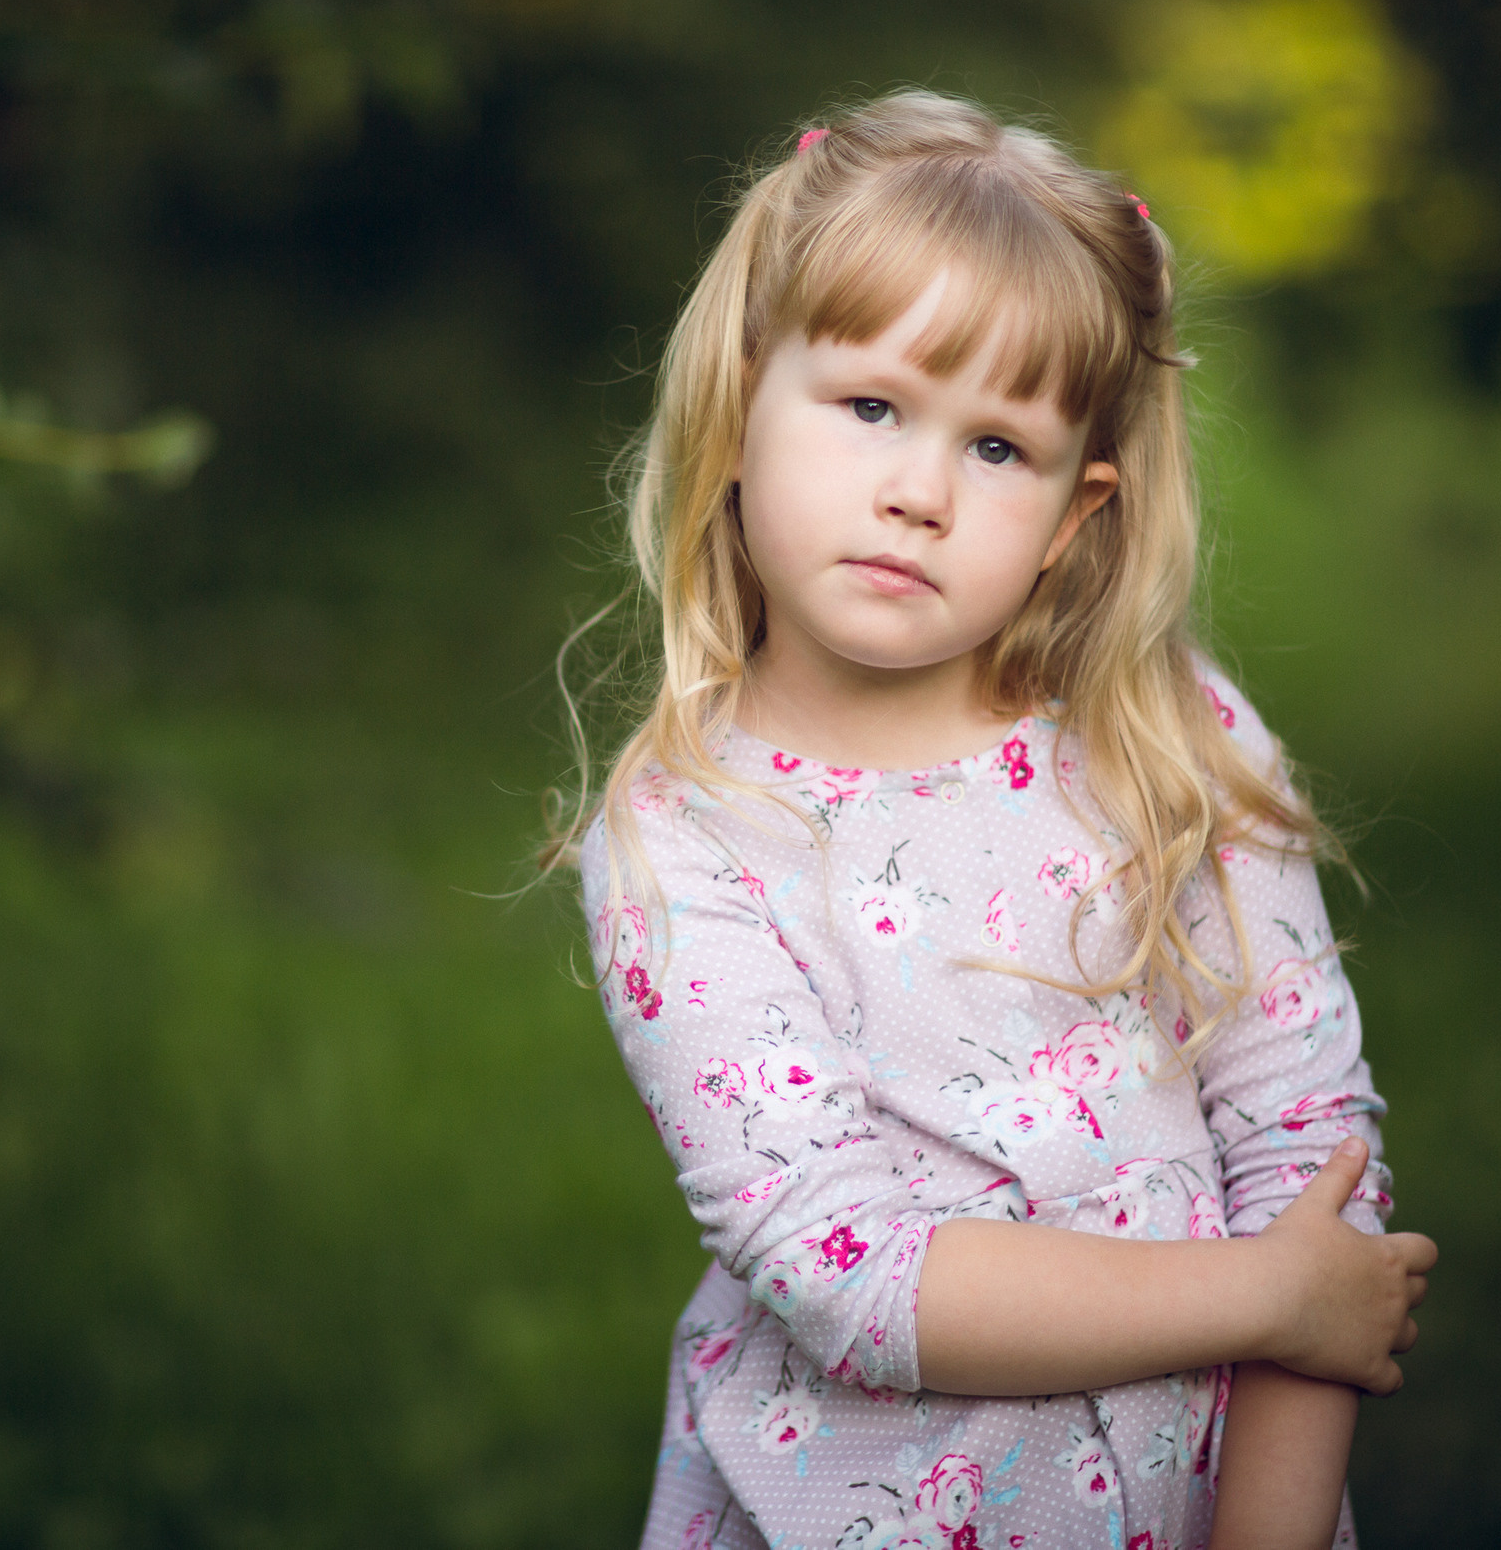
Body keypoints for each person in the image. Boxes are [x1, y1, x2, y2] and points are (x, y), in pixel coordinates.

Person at [550, 92, 1437, 1550]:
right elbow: (849, 1272)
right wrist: (1270, 1294)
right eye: (874, 407)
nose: (917, 494)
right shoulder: (684, 838)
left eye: (998, 450)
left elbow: (1313, 1155)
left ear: (1077, 517)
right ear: (736, 412)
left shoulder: (1170, 744)